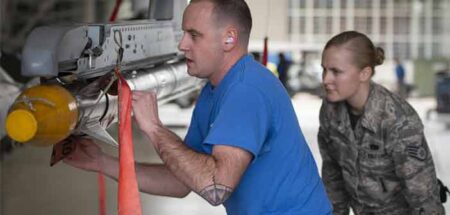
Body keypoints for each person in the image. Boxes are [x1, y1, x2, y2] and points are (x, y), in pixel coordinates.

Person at [64, 0, 332, 214]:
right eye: (184, 33)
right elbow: (181, 181)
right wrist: (102, 162)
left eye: (194, 35)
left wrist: (155, 129)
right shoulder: (214, 91)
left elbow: (216, 187)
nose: (182, 45)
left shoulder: (246, 90)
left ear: (229, 39)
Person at [318, 31, 444, 214]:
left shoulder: (398, 121)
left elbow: (424, 198)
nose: (325, 79)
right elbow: (332, 175)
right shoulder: (331, 110)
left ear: (364, 73)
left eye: (336, 71)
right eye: (324, 69)